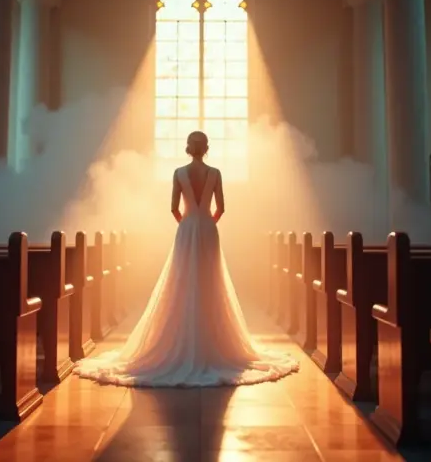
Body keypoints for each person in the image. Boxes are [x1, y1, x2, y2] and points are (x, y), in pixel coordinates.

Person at [73, 131, 299, 387]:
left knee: (181, 279)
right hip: (208, 229)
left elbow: (173, 208)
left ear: (189, 148)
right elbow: (221, 208)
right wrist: (207, 223)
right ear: (206, 148)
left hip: (187, 228)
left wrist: (188, 223)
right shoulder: (215, 173)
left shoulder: (179, 173)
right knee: (210, 280)